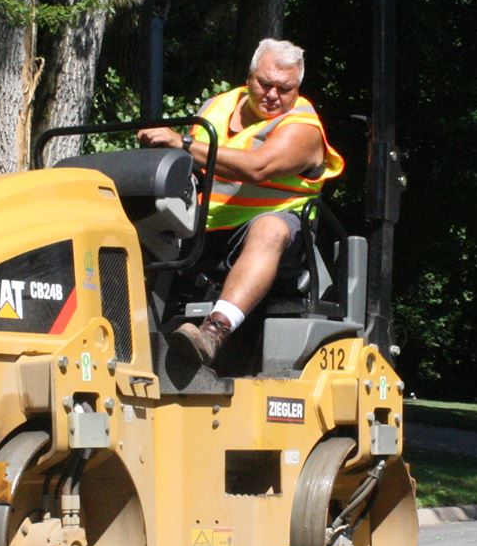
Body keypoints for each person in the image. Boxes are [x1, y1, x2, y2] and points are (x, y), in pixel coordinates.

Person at [138, 39, 343, 367]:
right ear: (249, 78)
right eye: (265, 84)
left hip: (276, 232)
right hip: (203, 227)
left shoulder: (303, 127)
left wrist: (183, 142)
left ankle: (214, 332)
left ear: (298, 88)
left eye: (284, 88)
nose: (273, 95)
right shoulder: (216, 107)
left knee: (270, 228)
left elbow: (257, 167)